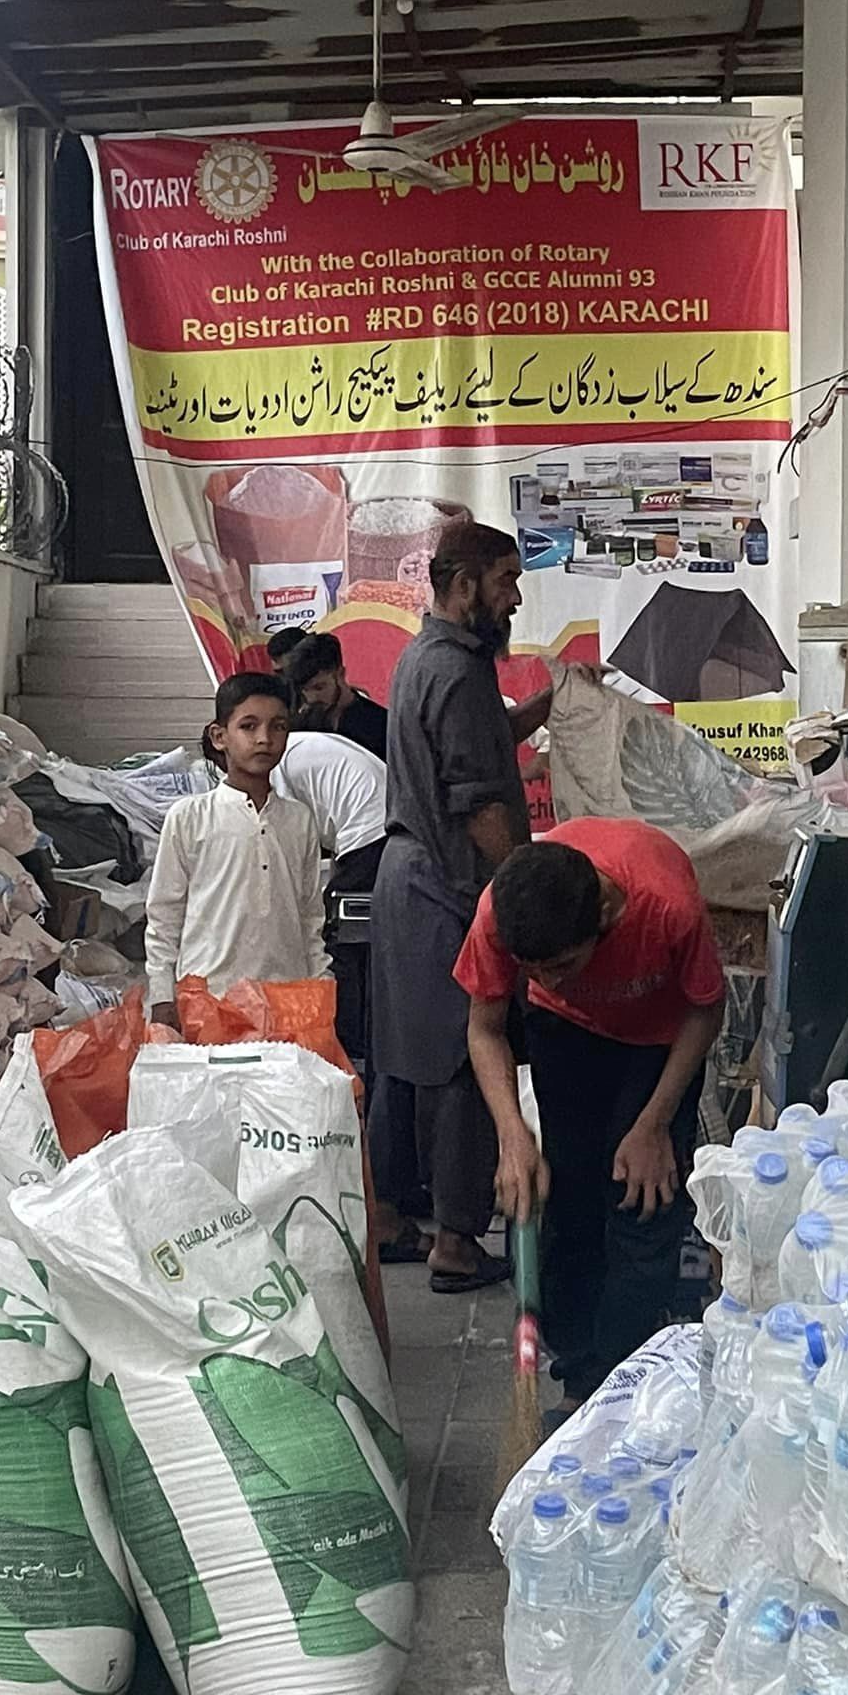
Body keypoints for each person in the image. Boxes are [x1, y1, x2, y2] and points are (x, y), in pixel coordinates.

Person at [456, 819, 725, 1404]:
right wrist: (513, 1135)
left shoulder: (665, 907)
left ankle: (627, 1380)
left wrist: (653, 1124)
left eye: (563, 965)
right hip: (567, 1034)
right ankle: (580, 1381)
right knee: (570, 1196)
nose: (548, 979)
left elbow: (705, 1010)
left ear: (604, 917)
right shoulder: (499, 914)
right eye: (534, 970)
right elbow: (485, 1028)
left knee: (642, 1199)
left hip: (659, 1039)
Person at [370, 520, 553, 1292]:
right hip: (443, 886)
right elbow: (478, 801)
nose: (514, 597)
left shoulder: (431, 658)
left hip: (409, 881)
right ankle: (455, 1240)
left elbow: (480, 742)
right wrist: (531, 894)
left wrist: (546, 707)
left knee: (405, 1064)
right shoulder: (458, 671)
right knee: (462, 1065)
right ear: (465, 581)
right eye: (506, 581)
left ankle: (386, 1217)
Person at [145, 672, 328, 1030]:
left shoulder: (299, 820)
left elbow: (310, 919)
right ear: (219, 736)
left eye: (277, 727)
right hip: (208, 1001)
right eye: (248, 726)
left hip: (287, 1005)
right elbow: (164, 917)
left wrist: (321, 992)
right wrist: (161, 998)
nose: (264, 739)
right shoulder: (189, 818)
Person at [273, 728, 387, 1069]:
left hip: (370, 831)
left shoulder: (278, 770)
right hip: (383, 824)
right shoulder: (303, 745)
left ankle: (354, 1048)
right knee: (357, 935)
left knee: (342, 943)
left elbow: (292, 848)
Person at [286, 631, 389, 760]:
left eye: (319, 687)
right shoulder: (301, 726)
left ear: (340, 674)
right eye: (304, 690)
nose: (311, 698)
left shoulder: (379, 724)